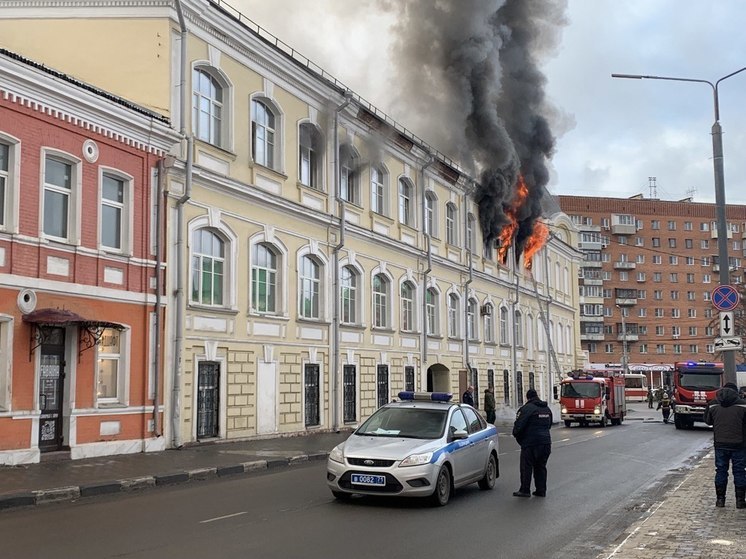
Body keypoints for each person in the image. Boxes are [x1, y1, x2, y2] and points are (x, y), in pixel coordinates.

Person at [704, 382, 746, 509]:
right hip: (739, 444)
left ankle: (720, 500)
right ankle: (740, 501)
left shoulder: (712, 404)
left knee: (721, 471)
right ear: (736, 392)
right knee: (739, 472)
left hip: (720, 444)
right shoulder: (743, 405)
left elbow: (707, 421)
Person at [512, 388, 553, 498]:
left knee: (526, 467)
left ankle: (525, 490)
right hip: (545, 443)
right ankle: (541, 490)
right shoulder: (547, 409)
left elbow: (518, 426)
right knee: (541, 466)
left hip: (530, 443)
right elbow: (549, 425)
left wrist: (520, 439)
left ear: (527, 397)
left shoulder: (526, 409)